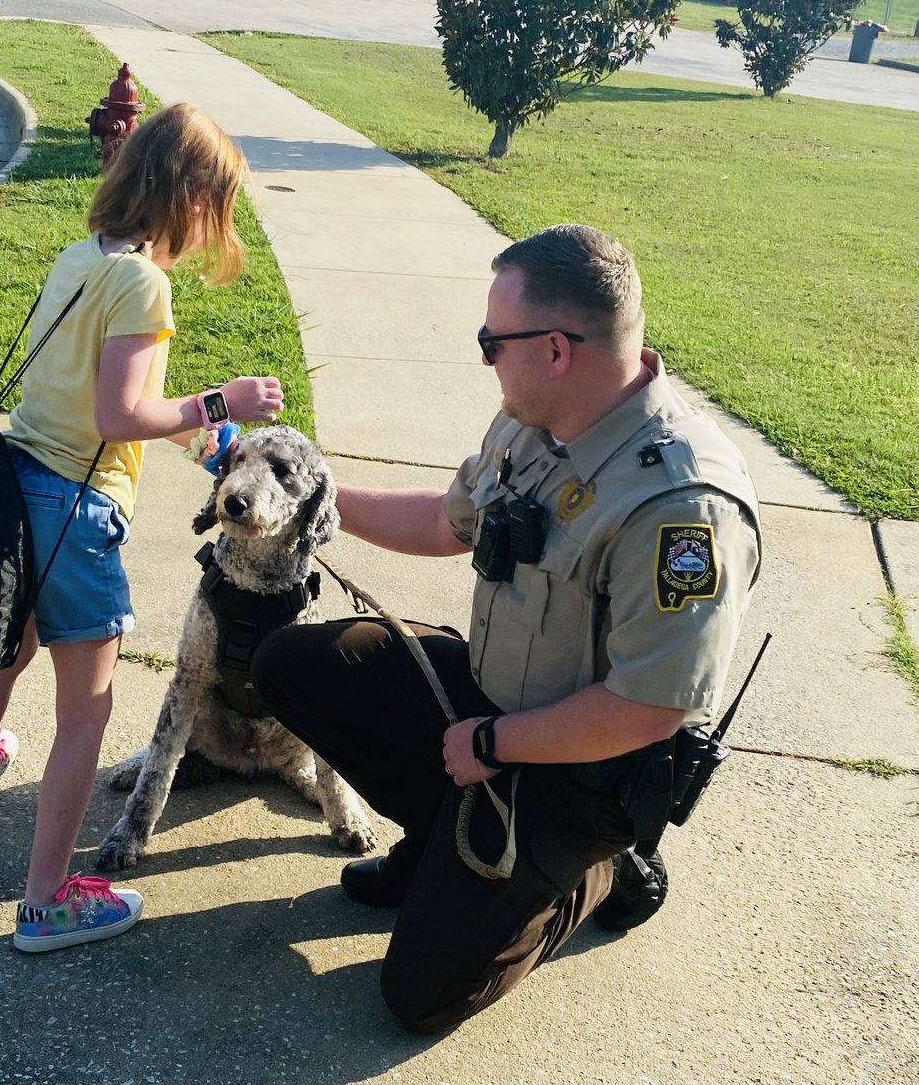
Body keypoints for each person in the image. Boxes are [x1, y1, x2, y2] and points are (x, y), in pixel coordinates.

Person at [251, 223, 761, 1032]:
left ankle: (594, 875)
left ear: (556, 349)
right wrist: (319, 501)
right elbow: (451, 523)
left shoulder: (680, 508)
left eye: (492, 340)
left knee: (420, 996)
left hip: (583, 774)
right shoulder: (533, 420)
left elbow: (652, 707)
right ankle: (443, 837)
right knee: (289, 664)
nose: (484, 354)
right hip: (490, 700)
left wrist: (495, 746)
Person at [0, 103, 285, 954]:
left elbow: (89, 402)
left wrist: (207, 441)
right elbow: (120, 413)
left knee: (7, 653)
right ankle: (47, 903)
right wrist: (219, 402)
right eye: (217, 206)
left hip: (19, 484)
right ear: (191, 195)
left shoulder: (85, 257)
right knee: (87, 712)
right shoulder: (146, 283)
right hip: (75, 513)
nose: (215, 227)